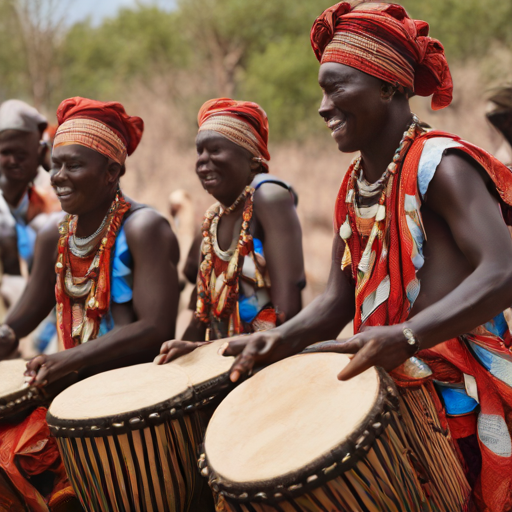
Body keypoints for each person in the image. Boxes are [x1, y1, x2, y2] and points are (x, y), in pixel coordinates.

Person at [220, 4, 512, 511]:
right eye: (320, 91)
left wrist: (406, 336)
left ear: (390, 88)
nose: (322, 106)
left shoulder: (441, 164)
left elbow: (504, 269)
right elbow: (336, 302)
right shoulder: (353, 187)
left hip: (460, 397)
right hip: (394, 387)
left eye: (337, 88)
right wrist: (274, 340)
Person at [0, 97, 180, 510]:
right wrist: (6, 333)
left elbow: (156, 328)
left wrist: (72, 358)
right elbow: (27, 311)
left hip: (137, 404)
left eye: (74, 166)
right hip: (72, 398)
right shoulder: (55, 236)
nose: (58, 177)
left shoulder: (145, 227)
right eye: (56, 164)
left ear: (111, 172)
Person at [159, 98, 305, 362]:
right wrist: (185, 349)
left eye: (215, 150)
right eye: (199, 152)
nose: (203, 161)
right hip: (223, 362)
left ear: (252, 161)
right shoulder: (214, 217)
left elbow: (288, 312)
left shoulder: (269, 196)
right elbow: (201, 312)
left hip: (270, 364)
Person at [0, 100, 59, 276]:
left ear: (39, 154)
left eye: (21, 155)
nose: (12, 161)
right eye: (5, 153)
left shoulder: (52, 191)